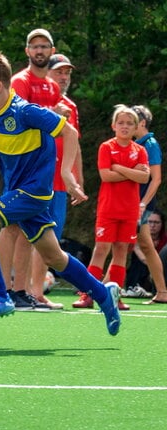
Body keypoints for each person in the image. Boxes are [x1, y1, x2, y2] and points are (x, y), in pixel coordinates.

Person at [0, 50, 120, 335]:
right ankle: (103, 295)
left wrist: (66, 173)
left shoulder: (25, 111)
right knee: (55, 257)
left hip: (33, 192)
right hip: (19, 192)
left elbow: (68, 132)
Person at [0, 29, 67, 311]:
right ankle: (1, 290)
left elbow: (58, 130)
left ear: (52, 50)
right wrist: (54, 115)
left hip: (41, 169)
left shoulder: (51, 87)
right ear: (27, 51)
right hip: (19, 166)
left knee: (29, 231)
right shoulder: (20, 81)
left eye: (44, 46)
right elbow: (20, 120)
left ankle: (22, 291)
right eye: (34, 46)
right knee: (10, 226)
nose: (39, 51)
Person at [73, 106, 149, 311]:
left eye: (129, 123)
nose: (125, 126)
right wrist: (131, 172)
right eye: (121, 123)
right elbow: (106, 175)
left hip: (130, 209)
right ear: (114, 125)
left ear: (136, 128)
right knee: (101, 250)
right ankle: (87, 295)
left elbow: (144, 177)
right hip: (109, 208)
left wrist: (119, 168)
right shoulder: (106, 147)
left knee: (121, 251)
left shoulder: (140, 150)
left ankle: (114, 295)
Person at [25, 53, 83, 309]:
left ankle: (36, 291)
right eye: (59, 71)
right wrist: (51, 112)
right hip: (34, 177)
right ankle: (22, 290)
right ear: (46, 74)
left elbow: (75, 143)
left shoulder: (70, 106)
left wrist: (77, 179)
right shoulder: (32, 99)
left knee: (50, 238)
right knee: (26, 234)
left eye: (67, 73)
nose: (64, 77)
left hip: (59, 184)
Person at [130, 106, 167, 305]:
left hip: (142, 204)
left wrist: (142, 203)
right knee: (143, 244)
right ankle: (162, 291)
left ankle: (162, 291)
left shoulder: (150, 144)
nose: (128, 125)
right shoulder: (136, 144)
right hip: (134, 202)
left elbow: (156, 178)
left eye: (132, 121)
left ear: (142, 123)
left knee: (122, 243)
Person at [125, 211, 167, 296]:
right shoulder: (138, 239)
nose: (152, 225)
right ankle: (135, 288)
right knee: (138, 263)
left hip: (162, 270)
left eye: (156, 222)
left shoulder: (165, 240)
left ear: (162, 224)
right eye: (150, 222)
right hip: (143, 270)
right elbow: (143, 258)